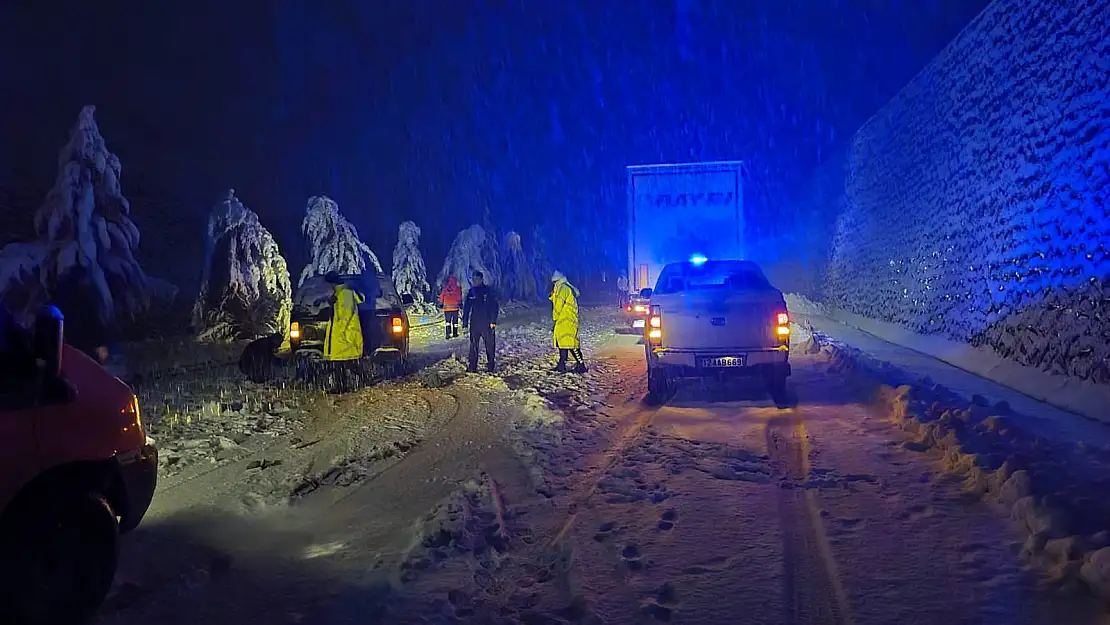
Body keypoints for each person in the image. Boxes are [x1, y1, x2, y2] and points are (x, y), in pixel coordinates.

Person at [323, 271, 366, 390]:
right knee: (344, 363)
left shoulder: (344, 294)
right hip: (342, 335)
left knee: (343, 363)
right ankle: (345, 385)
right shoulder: (339, 294)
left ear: (333, 282)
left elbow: (345, 316)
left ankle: (343, 386)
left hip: (344, 335)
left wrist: (341, 333)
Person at [461, 270, 498, 373]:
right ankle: (473, 366)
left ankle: (491, 365)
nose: (475, 281)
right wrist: (465, 321)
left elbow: (494, 306)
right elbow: (467, 308)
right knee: (473, 346)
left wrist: (493, 321)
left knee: (489, 345)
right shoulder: (471, 292)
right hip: (475, 323)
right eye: (473, 279)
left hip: (487, 323)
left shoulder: (488, 291)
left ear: (481, 279)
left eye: (477, 279)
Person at [550, 270, 586, 373]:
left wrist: (555, 317)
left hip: (566, 319)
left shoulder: (562, 288)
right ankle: (562, 364)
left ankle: (581, 365)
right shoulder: (563, 287)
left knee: (571, 344)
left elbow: (558, 304)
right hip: (565, 320)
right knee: (563, 343)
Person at [439, 275, 463, 339]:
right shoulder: (457, 288)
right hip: (455, 308)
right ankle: (455, 333)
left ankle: (448, 334)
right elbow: (459, 297)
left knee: (448, 322)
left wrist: (441, 303)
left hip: (447, 308)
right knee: (455, 322)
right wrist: (460, 303)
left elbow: (441, 296)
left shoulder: (445, 288)